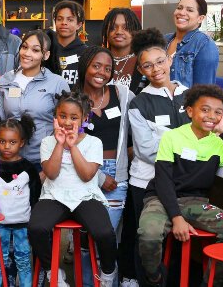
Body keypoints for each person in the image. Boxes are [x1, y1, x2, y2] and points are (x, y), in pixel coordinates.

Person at [138, 84, 223, 287]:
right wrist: (176, 218)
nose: (211, 116)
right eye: (205, 109)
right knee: (149, 234)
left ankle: (210, 283)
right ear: (190, 111)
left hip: (195, 202)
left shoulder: (219, 144)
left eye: (218, 112)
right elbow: (163, 181)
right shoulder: (172, 136)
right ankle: (155, 277)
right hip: (161, 198)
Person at [28, 90, 117, 287]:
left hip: (85, 196)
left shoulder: (94, 142)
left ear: (85, 118)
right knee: (36, 228)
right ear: (55, 116)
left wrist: (73, 146)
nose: (67, 122)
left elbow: (86, 175)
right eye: (62, 116)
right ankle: (53, 271)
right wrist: (60, 145)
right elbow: (50, 173)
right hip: (54, 195)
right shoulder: (48, 142)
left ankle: (108, 272)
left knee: (104, 232)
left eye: (74, 117)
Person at [76, 46, 136, 287]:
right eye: (96, 66)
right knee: (85, 237)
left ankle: (107, 283)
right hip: (83, 175)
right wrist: (99, 177)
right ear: (85, 67)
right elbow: (68, 144)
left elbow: (133, 137)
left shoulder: (123, 95)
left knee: (107, 237)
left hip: (117, 176)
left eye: (108, 68)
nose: (102, 72)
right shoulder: (73, 98)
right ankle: (87, 282)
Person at [128, 28, 191, 234]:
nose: (156, 69)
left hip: (181, 182)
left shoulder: (190, 96)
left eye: (160, 61)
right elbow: (145, 149)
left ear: (169, 60)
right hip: (146, 181)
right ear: (140, 69)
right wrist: (186, 154)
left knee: (178, 240)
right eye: (148, 65)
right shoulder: (139, 103)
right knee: (148, 240)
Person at [0, 30, 68, 170]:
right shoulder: (4, 80)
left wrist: (51, 167)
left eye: (35, 50)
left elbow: (66, 126)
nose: (27, 53)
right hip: (9, 160)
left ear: (46, 55)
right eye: (24, 47)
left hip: (44, 161)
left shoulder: (57, 83)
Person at [0, 115, 41, 287]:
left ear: (22, 142)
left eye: (12, 142)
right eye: (2, 141)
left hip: (23, 225)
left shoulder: (29, 169)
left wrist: (34, 224)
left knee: (24, 260)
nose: (7, 146)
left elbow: (35, 197)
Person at [165, 0, 219, 87]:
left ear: (200, 18)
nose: (182, 12)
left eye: (189, 10)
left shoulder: (204, 44)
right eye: (179, 8)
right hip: (157, 99)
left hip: (184, 101)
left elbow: (203, 90)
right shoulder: (164, 40)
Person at [101, 8, 146, 94]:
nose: (119, 32)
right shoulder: (96, 59)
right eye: (113, 27)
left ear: (135, 31)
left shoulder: (144, 61)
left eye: (126, 28)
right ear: (106, 31)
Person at [44, 1, 87, 87]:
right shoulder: (46, 48)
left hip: (75, 99)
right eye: (60, 19)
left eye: (70, 20)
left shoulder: (86, 53)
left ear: (79, 25)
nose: (64, 23)